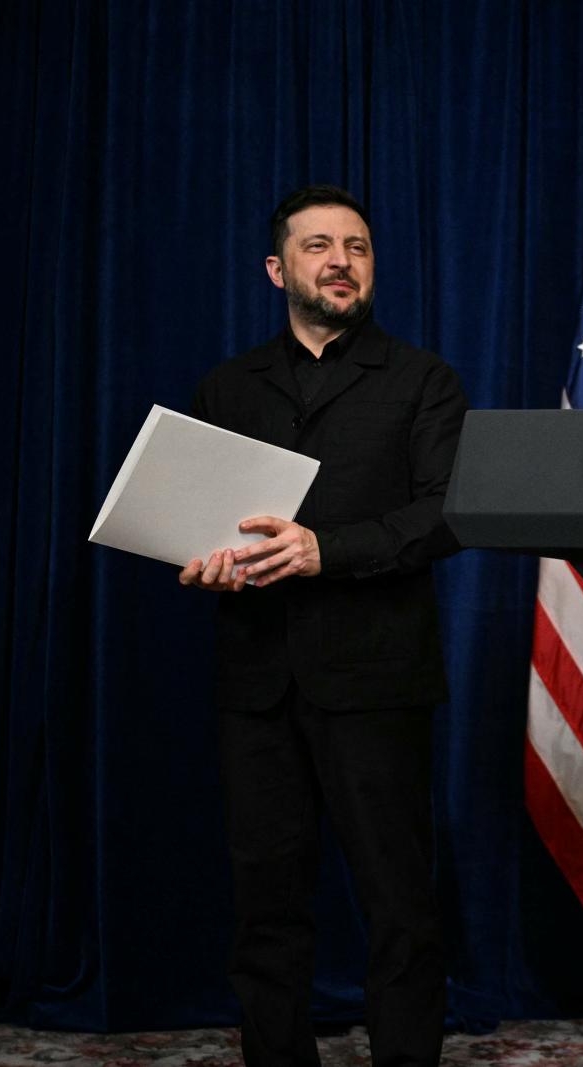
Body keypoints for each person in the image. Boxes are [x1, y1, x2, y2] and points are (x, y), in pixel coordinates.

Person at [179, 184, 466, 1067]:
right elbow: (199, 523)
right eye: (318, 246)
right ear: (278, 270)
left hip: (377, 679)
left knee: (399, 904)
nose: (341, 261)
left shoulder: (424, 380)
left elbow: (446, 514)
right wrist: (201, 558)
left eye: (357, 247)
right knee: (265, 906)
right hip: (256, 681)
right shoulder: (227, 387)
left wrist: (323, 550)